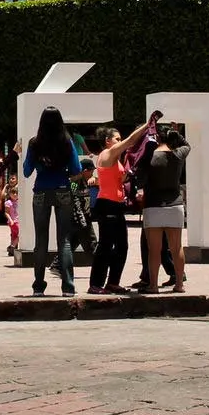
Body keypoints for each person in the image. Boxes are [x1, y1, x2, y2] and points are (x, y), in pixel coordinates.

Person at [23, 108, 83, 297]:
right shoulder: (66, 142)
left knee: (41, 241)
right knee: (64, 240)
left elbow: (26, 171)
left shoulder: (35, 143)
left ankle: (38, 286)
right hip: (63, 190)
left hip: (41, 190)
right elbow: (76, 169)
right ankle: (68, 287)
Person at [90, 121, 153, 293]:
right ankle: (95, 284)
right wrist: (147, 125)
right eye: (117, 139)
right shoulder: (107, 154)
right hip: (107, 205)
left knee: (121, 245)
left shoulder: (115, 160)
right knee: (105, 245)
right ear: (108, 141)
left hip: (116, 205)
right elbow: (131, 141)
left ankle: (112, 282)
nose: (121, 141)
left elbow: (117, 179)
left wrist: (128, 176)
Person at [140, 126, 191, 295]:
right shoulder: (178, 154)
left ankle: (153, 286)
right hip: (175, 205)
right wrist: (177, 135)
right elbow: (187, 145)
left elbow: (140, 178)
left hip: (153, 205)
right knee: (176, 248)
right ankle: (179, 284)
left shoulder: (150, 157)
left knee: (154, 249)